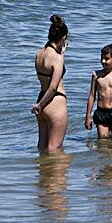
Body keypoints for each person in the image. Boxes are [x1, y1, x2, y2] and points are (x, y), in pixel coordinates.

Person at [33, 15, 69, 153]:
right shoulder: (57, 58)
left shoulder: (39, 54)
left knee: (42, 149)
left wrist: (40, 105)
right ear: (63, 38)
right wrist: (39, 105)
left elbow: (47, 78)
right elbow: (53, 87)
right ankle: (56, 175)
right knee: (55, 151)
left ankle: (43, 174)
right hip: (55, 102)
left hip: (42, 98)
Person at [86, 44, 112, 137]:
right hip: (101, 112)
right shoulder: (96, 75)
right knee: (102, 141)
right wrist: (88, 117)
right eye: (101, 58)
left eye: (106, 59)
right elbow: (92, 96)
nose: (103, 61)